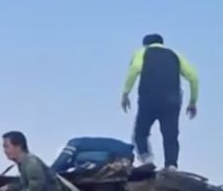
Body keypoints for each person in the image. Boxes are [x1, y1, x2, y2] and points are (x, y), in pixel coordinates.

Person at [120, 33, 199, 170]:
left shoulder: (143, 52)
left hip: (148, 98)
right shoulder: (176, 55)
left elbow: (134, 69)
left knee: (141, 132)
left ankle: (146, 159)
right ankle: (171, 165)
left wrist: (126, 92)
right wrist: (192, 102)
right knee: (170, 134)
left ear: (145, 44)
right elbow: (194, 78)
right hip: (172, 100)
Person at [50, 136, 135, 173]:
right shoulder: (86, 145)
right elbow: (67, 164)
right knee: (78, 160)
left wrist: (50, 172)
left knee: (78, 160)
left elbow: (61, 161)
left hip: (118, 154)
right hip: (125, 152)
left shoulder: (74, 143)